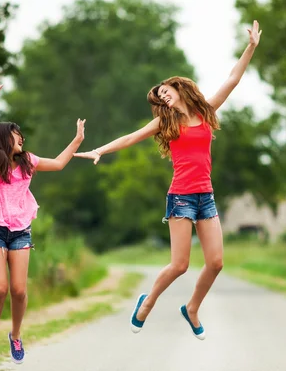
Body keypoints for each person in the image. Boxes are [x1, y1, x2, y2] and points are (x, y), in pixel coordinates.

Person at [75, 20, 262, 340]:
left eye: (166, 92)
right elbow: (131, 137)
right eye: (160, 97)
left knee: (216, 263)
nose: (164, 98)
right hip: (181, 198)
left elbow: (232, 79)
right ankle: (147, 302)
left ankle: (191, 308)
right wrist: (100, 151)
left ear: (178, 88)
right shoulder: (164, 122)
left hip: (206, 196)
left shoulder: (205, 111)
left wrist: (251, 47)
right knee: (180, 265)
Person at [0, 75, 85, 364]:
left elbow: (60, 163)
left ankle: (15, 335)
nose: (21, 138)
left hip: (21, 230)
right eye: (16, 135)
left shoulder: (29, 162)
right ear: (3, 140)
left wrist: (76, 140)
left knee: (19, 290)